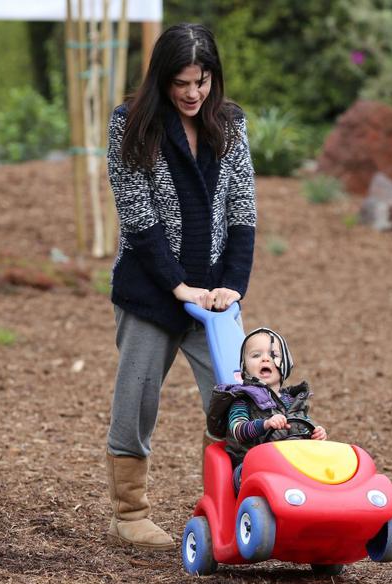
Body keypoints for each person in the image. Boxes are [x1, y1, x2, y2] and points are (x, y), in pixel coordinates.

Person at [105, 23, 256, 551]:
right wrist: (178, 286)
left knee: (237, 401)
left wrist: (231, 285)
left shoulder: (229, 124)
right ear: (162, 79)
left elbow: (242, 208)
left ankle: (228, 506)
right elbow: (137, 216)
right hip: (149, 294)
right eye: (182, 83)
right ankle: (129, 514)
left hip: (213, 300)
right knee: (137, 399)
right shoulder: (130, 124)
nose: (193, 93)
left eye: (202, 81)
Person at [207, 328, 327, 493]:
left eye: (274, 355)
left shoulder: (293, 401)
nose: (265, 358)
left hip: (293, 464)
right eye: (256, 355)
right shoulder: (242, 400)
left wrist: (316, 434)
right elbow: (237, 430)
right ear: (244, 368)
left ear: (285, 365)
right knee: (271, 477)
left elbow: (304, 426)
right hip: (252, 469)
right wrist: (265, 424)